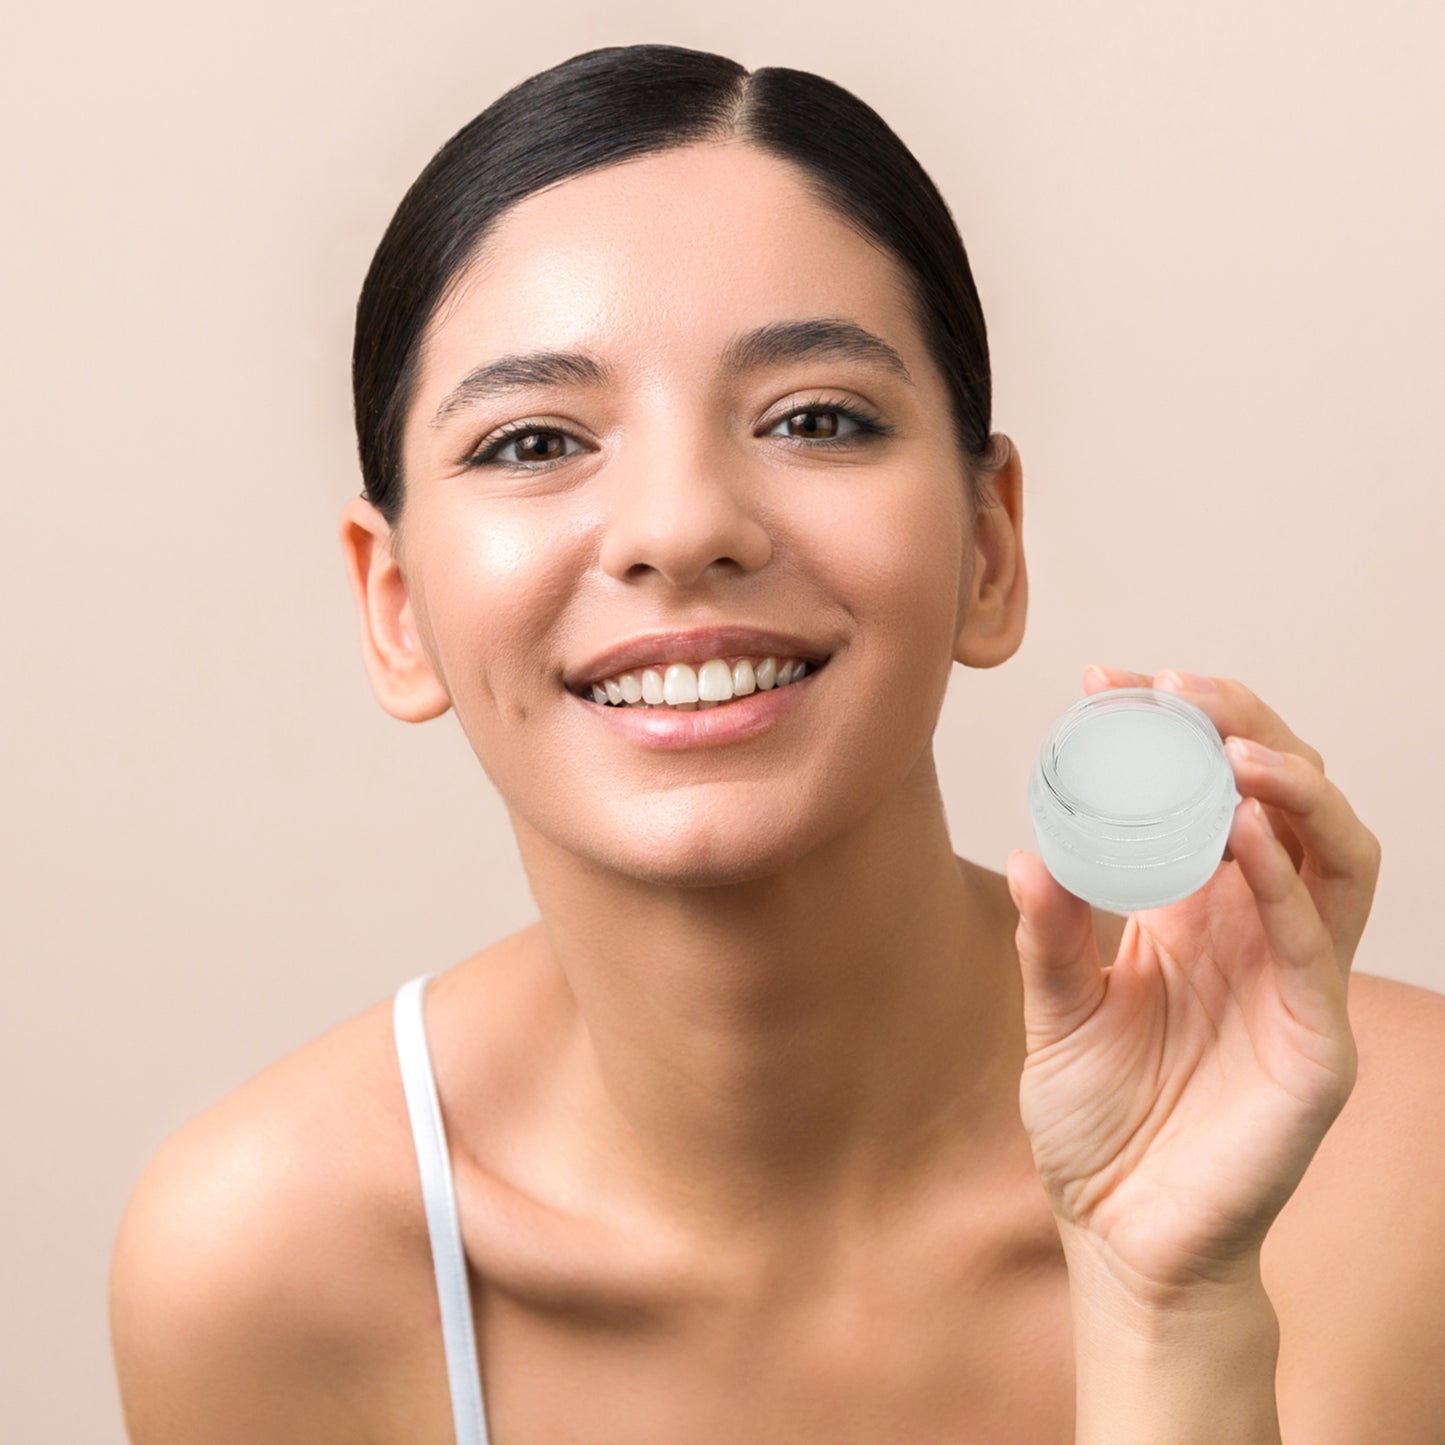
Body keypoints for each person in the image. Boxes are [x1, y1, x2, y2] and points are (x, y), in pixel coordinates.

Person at [109, 43, 1444, 1444]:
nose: (683, 525)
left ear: (988, 550)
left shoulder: (1398, 1166)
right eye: (531, 441)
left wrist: (1170, 1301)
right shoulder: (260, 1264)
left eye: (815, 417)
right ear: (394, 607)